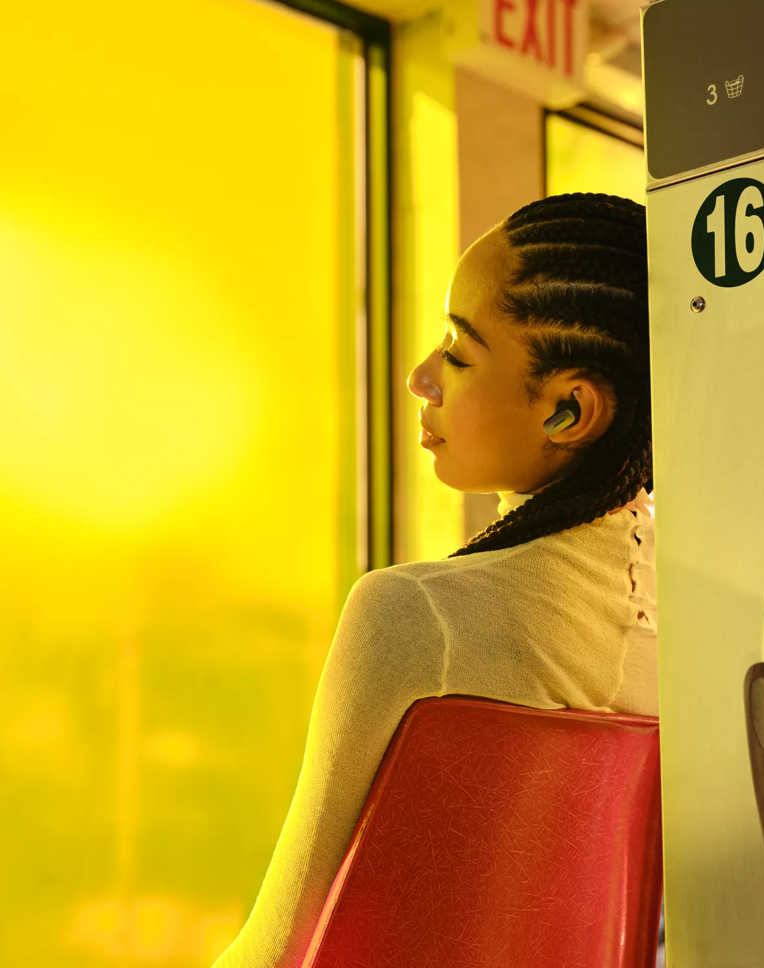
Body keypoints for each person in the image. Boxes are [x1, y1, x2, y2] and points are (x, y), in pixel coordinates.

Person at [212, 193, 656, 967]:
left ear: (569, 410)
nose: (421, 378)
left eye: (456, 352)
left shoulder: (417, 615)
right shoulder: (678, 619)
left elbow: (280, 949)